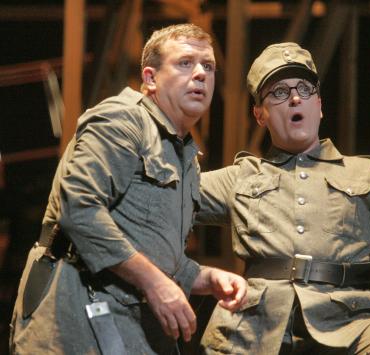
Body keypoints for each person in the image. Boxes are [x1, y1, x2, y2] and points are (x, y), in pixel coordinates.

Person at [9, 23, 247, 355]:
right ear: (150, 78)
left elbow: (154, 248)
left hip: (128, 323)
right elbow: (79, 210)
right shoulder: (121, 121)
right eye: (185, 63)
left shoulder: (185, 156)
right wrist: (155, 282)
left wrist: (204, 278)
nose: (200, 74)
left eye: (208, 66)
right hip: (72, 316)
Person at [196, 42, 370, 354]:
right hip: (257, 324)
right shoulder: (242, 176)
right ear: (260, 115)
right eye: (279, 92)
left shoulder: (367, 173)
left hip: (348, 320)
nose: (296, 97)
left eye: (304, 88)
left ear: (320, 105)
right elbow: (165, 194)